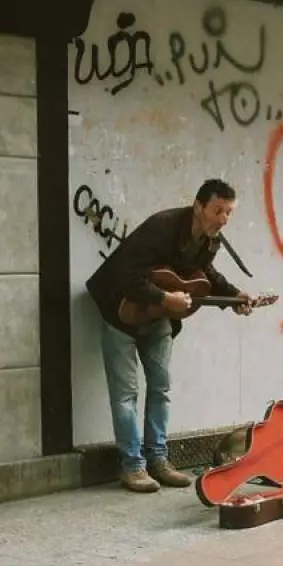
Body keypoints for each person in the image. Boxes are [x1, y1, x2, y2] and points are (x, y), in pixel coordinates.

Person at [85, 178, 253, 493]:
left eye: (229, 212)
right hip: (120, 311)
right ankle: (132, 467)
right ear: (198, 205)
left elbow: (205, 275)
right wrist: (165, 299)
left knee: (161, 388)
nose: (223, 219)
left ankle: (159, 461)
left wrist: (234, 297)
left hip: (158, 316)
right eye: (218, 211)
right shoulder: (161, 227)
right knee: (126, 394)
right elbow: (124, 274)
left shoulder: (210, 239)